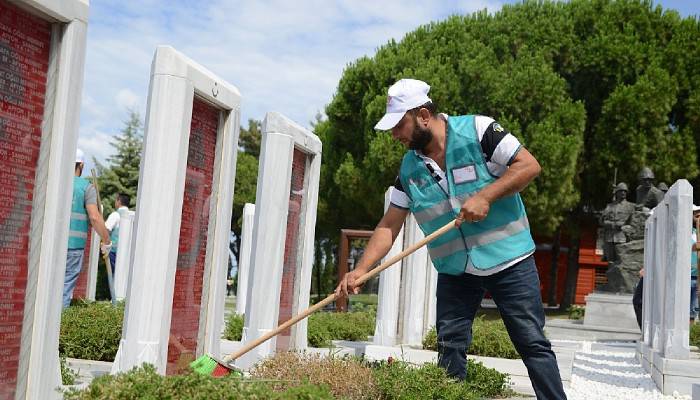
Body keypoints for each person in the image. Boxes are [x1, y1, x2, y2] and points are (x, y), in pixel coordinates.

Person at [335, 79, 566, 399]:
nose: (395, 135)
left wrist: (486, 196)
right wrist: (360, 269)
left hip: (510, 259)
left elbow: (528, 165)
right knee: (450, 347)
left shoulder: (479, 130)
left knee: (531, 342)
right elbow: (389, 225)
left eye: (399, 125)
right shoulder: (409, 168)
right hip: (456, 269)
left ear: (424, 115)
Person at [64, 149, 112, 308]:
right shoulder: (86, 187)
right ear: (81, 165)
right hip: (73, 247)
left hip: (51, 244)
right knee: (64, 289)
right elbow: (94, 217)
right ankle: (58, 329)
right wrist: (107, 240)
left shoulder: (57, 181)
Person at [104, 193, 130, 274]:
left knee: (114, 278)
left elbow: (105, 230)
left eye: (116, 200)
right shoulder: (131, 216)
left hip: (114, 252)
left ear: (119, 201)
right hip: (127, 253)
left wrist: (104, 245)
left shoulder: (115, 215)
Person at [691, 205, 700, 324]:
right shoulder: (688, 233)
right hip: (689, 276)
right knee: (690, 310)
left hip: (698, 276)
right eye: (696, 214)